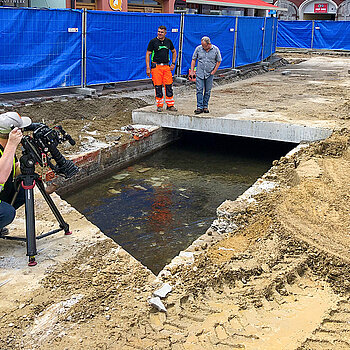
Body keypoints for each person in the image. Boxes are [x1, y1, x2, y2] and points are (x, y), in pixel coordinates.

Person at [0, 112, 32, 235]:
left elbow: (15, 168)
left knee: (23, 191)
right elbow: (1, 177)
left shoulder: (5, 147)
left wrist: (29, 164)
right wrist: (13, 144)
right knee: (7, 213)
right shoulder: (9, 146)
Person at [146, 25, 177, 113]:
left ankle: (170, 105)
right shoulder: (153, 42)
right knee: (158, 86)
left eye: (161, 32)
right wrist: (148, 67)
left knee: (168, 85)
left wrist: (173, 63)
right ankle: (159, 105)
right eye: (159, 31)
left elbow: (174, 51)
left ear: (165, 33)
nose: (159, 33)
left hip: (166, 67)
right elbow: (148, 54)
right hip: (156, 67)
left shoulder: (168, 41)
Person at [190, 36, 222, 114]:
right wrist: (192, 71)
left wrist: (214, 71)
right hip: (200, 73)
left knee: (207, 91)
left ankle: (205, 106)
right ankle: (199, 107)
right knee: (199, 90)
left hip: (209, 73)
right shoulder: (198, 49)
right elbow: (194, 59)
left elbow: (219, 61)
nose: (203, 47)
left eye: (204, 46)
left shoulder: (215, 50)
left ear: (209, 44)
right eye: (202, 45)